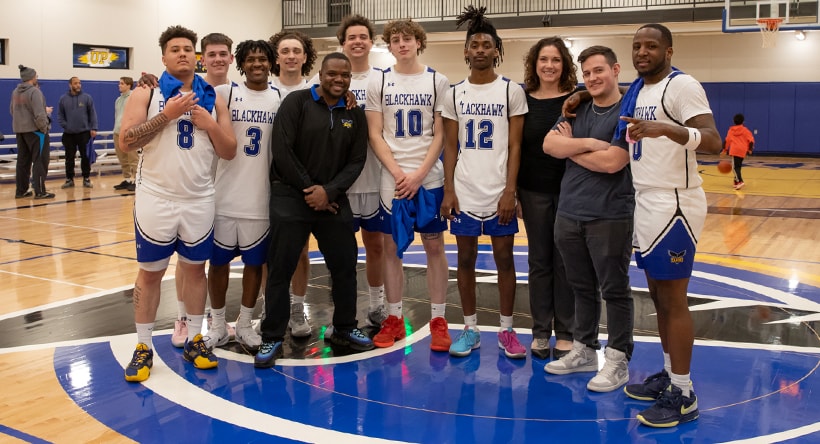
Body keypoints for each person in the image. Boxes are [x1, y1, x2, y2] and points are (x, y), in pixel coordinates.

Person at [118, 25, 236, 382]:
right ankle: (142, 346)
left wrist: (209, 126)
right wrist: (166, 116)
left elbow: (229, 150)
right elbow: (125, 141)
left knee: (194, 271)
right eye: (175, 49)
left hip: (199, 197)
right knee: (150, 274)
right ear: (164, 57)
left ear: (195, 55)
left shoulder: (211, 96)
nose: (183, 54)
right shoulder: (148, 92)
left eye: (188, 49)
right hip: (157, 197)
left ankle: (196, 338)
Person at [618, 23, 722, 427]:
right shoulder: (639, 90)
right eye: (637, 45)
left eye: (651, 46)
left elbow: (713, 141)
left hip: (676, 202)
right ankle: (669, 373)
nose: (642, 52)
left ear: (669, 51)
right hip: (647, 200)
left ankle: (684, 393)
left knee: (674, 298)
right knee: (659, 296)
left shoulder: (682, 86)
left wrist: (669, 129)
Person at [255, 52, 372, 367]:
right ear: (320, 74)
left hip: (332, 199)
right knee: (280, 269)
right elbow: (282, 149)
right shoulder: (296, 103)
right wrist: (311, 190)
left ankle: (344, 328)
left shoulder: (354, 113)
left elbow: (357, 160)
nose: (338, 79)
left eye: (344, 75)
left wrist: (329, 191)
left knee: (345, 266)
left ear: (350, 78)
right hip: (291, 196)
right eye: (332, 74)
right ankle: (272, 337)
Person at [541, 45, 634, 393]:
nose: (593, 78)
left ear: (615, 69)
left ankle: (618, 358)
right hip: (569, 212)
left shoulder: (629, 111)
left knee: (615, 290)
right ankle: (584, 349)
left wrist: (575, 146)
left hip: (610, 214)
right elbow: (550, 146)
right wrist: (594, 144)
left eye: (599, 70)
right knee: (581, 287)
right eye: (587, 73)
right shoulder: (578, 107)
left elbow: (614, 163)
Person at [440, 6, 528, 359]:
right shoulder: (454, 93)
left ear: (496, 50)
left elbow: (516, 145)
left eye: (486, 44)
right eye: (473, 44)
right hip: (464, 189)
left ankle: (507, 330)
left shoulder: (511, 91)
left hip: (499, 192)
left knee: (505, 259)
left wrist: (511, 191)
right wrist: (448, 189)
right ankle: (471, 328)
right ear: (465, 51)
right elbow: (449, 145)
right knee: (465, 259)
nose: (479, 49)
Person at [365, 19, 453, 352]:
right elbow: (375, 132)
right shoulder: (380, 79)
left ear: (419, 42)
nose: (402, 44)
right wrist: (398, 172)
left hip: (428, 177)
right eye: (396, 40)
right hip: (393, 178)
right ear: (389, 45)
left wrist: (418, 174)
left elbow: (441, 134)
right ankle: (394, 317)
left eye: (408, 39)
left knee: (434, 247)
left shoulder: (437, 80)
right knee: (391, 249)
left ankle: (438, 320)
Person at [204, 39, 281, 352]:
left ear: (270, 63)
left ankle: (246, 323)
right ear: (241, 64)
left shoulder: (280, 97)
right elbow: (187, 91)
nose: (257, 64)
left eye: (263, 59)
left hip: (260, 198)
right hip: (224, 196)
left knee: (254, 265)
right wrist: (151, 80)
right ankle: (219, 325)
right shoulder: (225, 93)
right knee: (218, 264)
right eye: (251, 59)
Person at [320, 15, 387, 340]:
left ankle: (377, 304)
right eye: (352, 37)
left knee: (375, 244)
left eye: (363, 36)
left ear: (371, 41)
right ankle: (340, 311)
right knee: (340, 251)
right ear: (342, 42)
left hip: (373, 176)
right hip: (340, 182)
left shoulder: (384, 79)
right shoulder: (329, 79)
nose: (358, 41)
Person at [169, 32, 236, 349]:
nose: (218, 59)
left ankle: (214, 318)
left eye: (224, 54)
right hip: (195, 184)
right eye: (212, 54)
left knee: (214, 261)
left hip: (231, 184)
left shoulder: (238, 90)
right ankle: (183, 317)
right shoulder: (191, 90)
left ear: (230, 58)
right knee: (189, 260)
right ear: (202, 58)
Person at [518, 37, 578, 360]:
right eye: (544, 59)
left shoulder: (577, 100)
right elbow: (515, 147)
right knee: (539, 261)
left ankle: (566, 331)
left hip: (569, 191)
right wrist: (512, 192)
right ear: (535, 64)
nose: (550, 66)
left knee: (565, 261)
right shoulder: (522, 99)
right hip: (532, 191)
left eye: (556, 60)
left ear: (564, 65)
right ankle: (541, 331)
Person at [266, 29, 319, 339]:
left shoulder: (316, 90)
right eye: (284, 50)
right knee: (266, 253)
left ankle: (297, 309)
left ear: (304, 56)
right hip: (264, 182)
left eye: (296, 51)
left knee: (300, 251)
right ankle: (272, 308)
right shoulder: (263, 88)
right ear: (277, 56)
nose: (290, 56)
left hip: (301, 184)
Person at [10, 64, 54, 200]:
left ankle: (21, 190)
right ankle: (40, 191)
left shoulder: (15, 92)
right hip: (36, 132)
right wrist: (44, 128)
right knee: (40, 160)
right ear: (31, 77)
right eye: (36, 76)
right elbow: (39, 114)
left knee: (23, 161)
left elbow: (12, 111)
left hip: (20, 131)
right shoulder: (35, 92)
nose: (37, 78)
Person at [57, 76, 98, 189]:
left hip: (84, 133)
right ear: (70, 85)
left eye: (79, 83)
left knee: (85, 157)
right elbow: (60, 115)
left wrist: (93, 128)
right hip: (69, 134)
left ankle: (86, 178)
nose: (78, 85)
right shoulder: (63, 99)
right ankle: (69, 179)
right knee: (69, 158)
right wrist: (66, 126)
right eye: (75, 83)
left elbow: (92, 114)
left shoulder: (87, 98)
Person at [112, 77, 137, 192]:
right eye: (119, 83)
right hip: (117, 132)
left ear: (128, 85)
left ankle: (137, 181)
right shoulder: (118, 99)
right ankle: (127, 179)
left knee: (132, 157)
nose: (119, 85)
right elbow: (118, 116)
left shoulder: (133, 98)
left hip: (128, 132)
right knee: (122, 158)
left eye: (122, 84)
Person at [722, 113, 754, 190]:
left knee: (734, 168)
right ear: (743, 121)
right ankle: (736, 182)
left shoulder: (731, 130)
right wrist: (750, 149)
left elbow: (727, 141)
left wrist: (724, 150)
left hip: (735, 150)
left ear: (734, 121)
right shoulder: (745, 130)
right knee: (738, 166)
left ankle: (740, 181)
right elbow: (751, 140)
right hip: (742, 150)